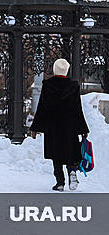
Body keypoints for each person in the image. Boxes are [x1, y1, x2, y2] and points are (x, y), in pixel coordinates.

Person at [29, 58, 90, 192]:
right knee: (70, 152)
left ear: (55, 69)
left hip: (53, 126)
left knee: (56, 155)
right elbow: (77, 108)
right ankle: (72, 172)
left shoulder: (48, 85)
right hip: (70, 127)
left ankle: (60, 182)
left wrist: (35, 128)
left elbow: (42, 107)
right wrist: (83, 128)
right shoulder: (73, 86)